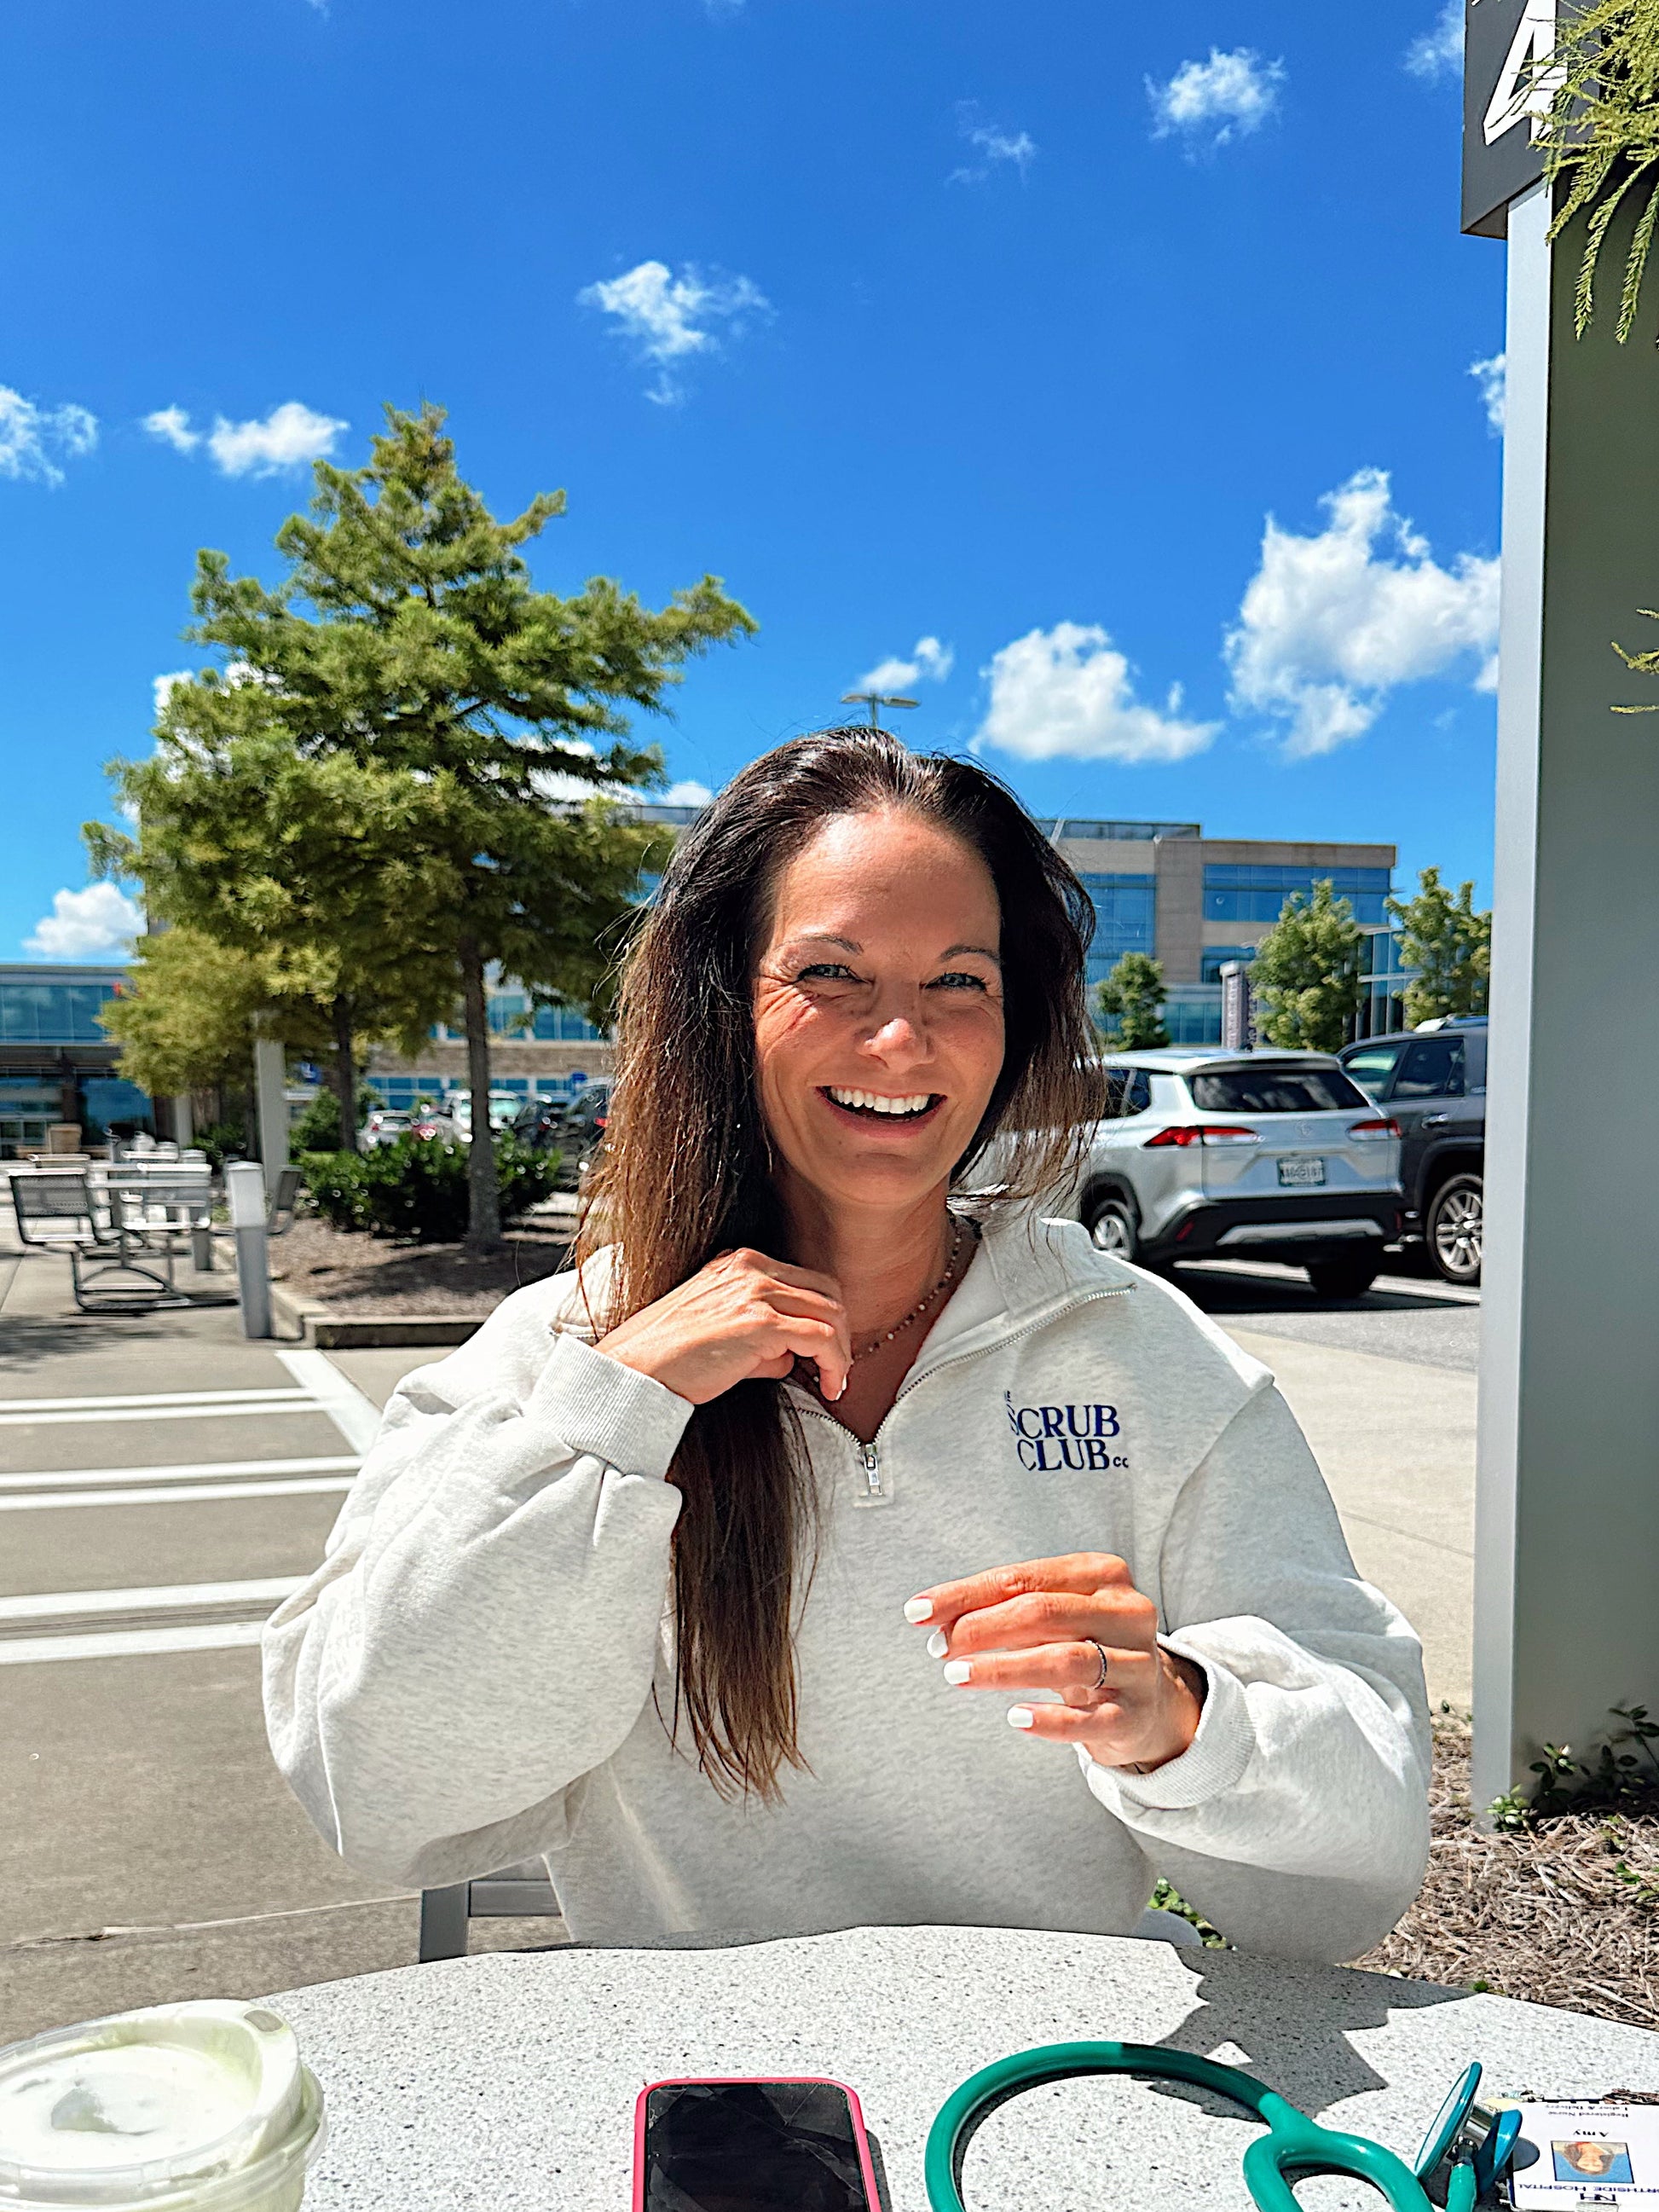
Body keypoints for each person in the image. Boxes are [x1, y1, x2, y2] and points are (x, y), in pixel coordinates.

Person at [263, 729, 1431, 1962]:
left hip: (1050, 2055)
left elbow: (1350, 1881)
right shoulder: (554, 1356)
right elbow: (373, 1790)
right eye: (831, 973)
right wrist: (613, 1409)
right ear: (722, 1005)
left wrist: (1184, 1721)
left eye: (960, 982)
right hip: (694, 2061)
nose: (900, 1040)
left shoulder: (1142, 1354)